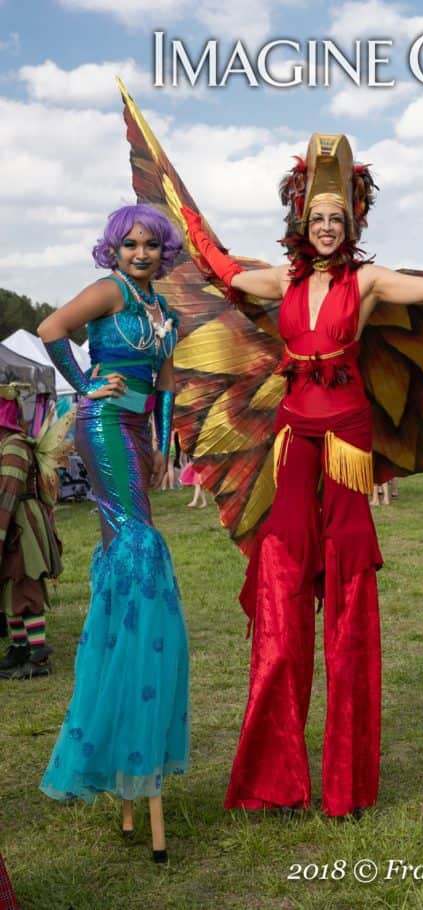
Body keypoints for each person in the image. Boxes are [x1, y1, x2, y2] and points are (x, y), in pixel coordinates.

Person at [181, 133, 423, 817]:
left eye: (338, 219)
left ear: (353, 223)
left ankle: (345, 781)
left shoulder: (366, 282)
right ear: (301, 222)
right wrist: (180, 211)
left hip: (345, 431)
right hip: (292, 433)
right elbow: (220, 269)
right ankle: (273, 777)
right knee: (281, 575)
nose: (328, 228)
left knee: (345, 584)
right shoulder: (282, 280)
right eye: (318, 218)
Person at [37, 204, 189, 863]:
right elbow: (49, 329)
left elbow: (162, 391)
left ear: (164, 252)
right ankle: (128, 682)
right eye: (129, 243)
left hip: (136, 431)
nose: (140, 253)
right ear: (114, 249)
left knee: (134, 551)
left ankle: (128, 698)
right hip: (101, 425)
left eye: (150, 244)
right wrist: (85, 387)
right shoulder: (109, 293)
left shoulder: (165, 313)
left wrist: (159, 448)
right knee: (140, 550)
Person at [0, 384, 63, 680]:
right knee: (11, 587)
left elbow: (7, 493)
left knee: (26, 586)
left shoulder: (13, 445)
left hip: (22, 525)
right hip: (15, 523)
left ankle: (37, 657)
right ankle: (19, 648)